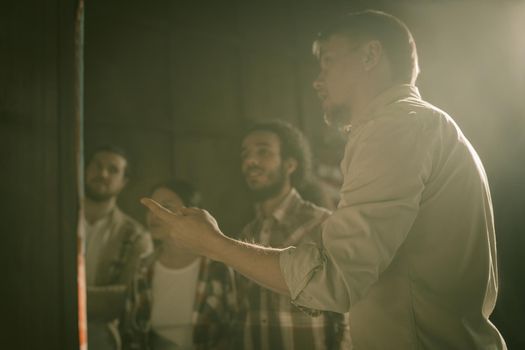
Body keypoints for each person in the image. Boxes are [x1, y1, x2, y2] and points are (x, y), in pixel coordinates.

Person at [142, 10, 507, 349]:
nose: (317, 81)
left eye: (327, 61)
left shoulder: (394, 127)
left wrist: (212, 243)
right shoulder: (421, 126)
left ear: (369, 56)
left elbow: (333, 279)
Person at [235, 120, 350, 349]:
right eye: (245, 154)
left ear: (290, 164)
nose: (250, 161)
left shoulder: (323, 224)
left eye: (263, 151)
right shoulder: (247, 233)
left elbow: (347, 312)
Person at [120, 180, 237, 350]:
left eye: (166, 207)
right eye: (150, 208)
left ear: (190, 213)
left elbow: (233, 331)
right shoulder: (143, 269)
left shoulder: (218, 268)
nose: (154, 215)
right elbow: (130, 334)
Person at [84, 145, 153, 349]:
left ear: (123, 182)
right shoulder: (55, 221)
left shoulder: (136, 236)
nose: (103, 173)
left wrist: (62, 297)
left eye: (113, 169)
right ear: (85, 170)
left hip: (101, 341)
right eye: (97, 166)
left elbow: (126, 296)